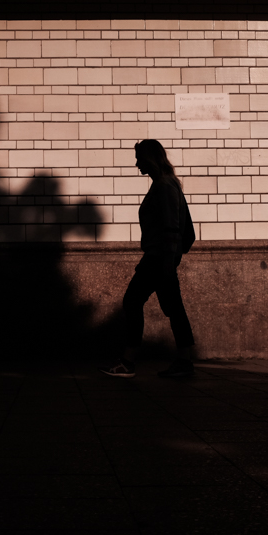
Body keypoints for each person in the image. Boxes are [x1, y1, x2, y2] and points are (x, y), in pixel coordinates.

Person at [101, 139, 196, 378]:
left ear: (150, 159)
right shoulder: (165, 184)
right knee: (174, 308)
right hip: (162, 257)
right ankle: (184, 363)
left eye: (139, 158)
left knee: (132, 302)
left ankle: (128, 362)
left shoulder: (164, 186)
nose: (136, 164)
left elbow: (171, 227)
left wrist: (166, 262)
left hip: (158, 258)